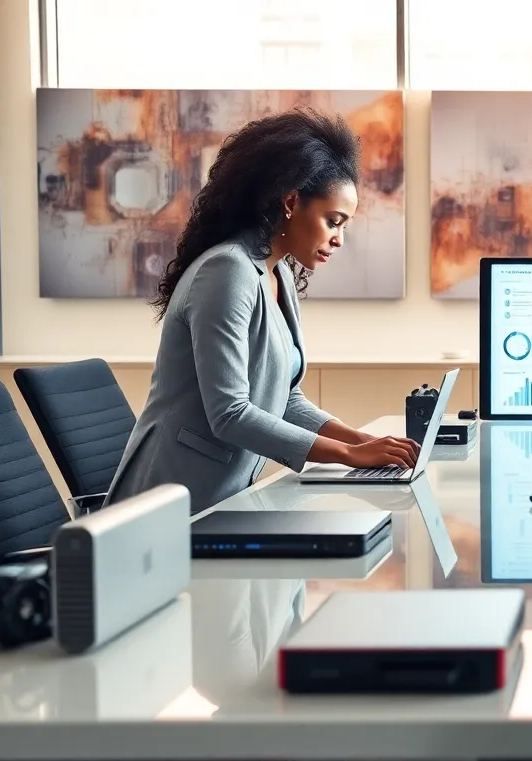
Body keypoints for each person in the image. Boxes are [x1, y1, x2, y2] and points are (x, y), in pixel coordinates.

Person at [106, 108, 420, 512]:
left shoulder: (278, 275)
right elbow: (231, 413)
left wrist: (360, 440)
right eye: (333, 221)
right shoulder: (227, 270)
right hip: (167, 504)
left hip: (223, 496)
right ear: (291, 202)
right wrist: (348, 456)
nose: (339, 239)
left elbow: (286, 399)